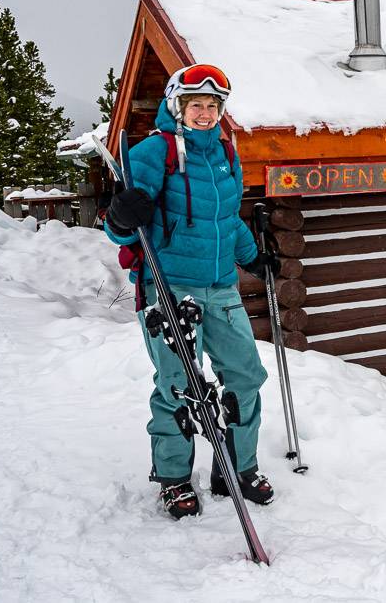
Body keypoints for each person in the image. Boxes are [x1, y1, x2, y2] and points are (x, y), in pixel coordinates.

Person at [105, 63, 275, 519]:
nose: (205, 112)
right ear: (177, 105)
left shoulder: (225, 153)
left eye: (213, 105)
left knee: (245, 375)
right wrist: (122, 217)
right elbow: (121, 228)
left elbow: (228, 218)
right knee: (179, 385)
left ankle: (237, 467)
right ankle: (175, 477)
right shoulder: (151, 153)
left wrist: (252, 256)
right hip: (169, 286)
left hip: (221, 285)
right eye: (196, 104)